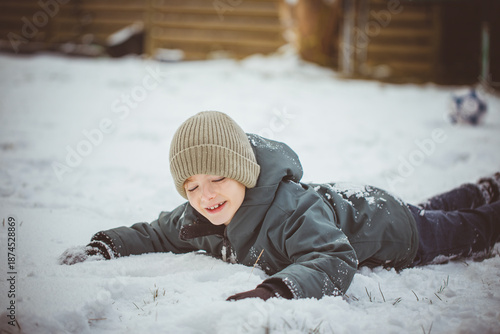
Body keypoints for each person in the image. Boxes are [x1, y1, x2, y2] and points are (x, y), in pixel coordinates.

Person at [59, 111, 500, 301]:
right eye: (191, 187)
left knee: (463, 229)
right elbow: (155, 232)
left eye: (218, 179)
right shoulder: (200, 216)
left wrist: (278, 288)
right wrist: (106, 245)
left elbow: (333, 256)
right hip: (361, 199)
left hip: (394, 229)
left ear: (245, 174)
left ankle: (488, 209)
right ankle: (481, 187)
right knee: (431, 206)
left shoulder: (287, 211)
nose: (206, 196)